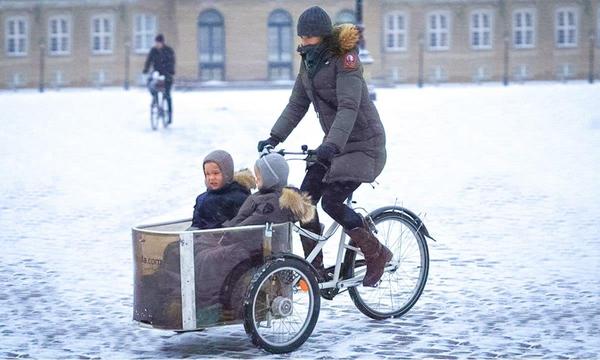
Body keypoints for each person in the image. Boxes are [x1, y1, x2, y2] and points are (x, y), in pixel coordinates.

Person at [257, 6, 391, 287]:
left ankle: (377, 253)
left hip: (365, 146)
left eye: (309, 37)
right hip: (337, 145)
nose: (304, 42)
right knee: (302, 201)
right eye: (301, 37)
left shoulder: (346, 60)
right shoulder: (309, 63)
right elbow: (297, 104)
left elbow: (348, 107)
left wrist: (330, 145)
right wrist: (274, 137)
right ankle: (314, 270)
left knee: (331, 201)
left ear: (324, 36)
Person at [193, 153, 315, 323]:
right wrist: (223, 232)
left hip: (255, 248)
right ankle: (204, 302)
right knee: (200, 250)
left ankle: (213, 306)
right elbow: (240, 221)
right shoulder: (262, 196)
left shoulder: (271, 202)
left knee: (208, 258)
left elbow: (250, 226)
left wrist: (226, 235)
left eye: (260, 176)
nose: (256, 179)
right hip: (246, 242)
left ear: (271, 178)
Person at [188, 150, 256, 230]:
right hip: (202, 240)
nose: (211, 178)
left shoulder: (240, 197)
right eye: (207, 174)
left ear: (227, 173)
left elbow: (242, 227)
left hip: (228, 240)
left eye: (216, 173)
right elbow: (196, 225)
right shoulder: (201, 199)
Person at [142, 34, 175, 123]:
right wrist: (146, 69)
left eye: (158, 43)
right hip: (156, 73)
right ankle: (155, 99)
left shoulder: (168, 51)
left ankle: (169, 115)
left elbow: (171, 62)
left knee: (167, 94)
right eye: (156, 43)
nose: (157, 45)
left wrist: (169, 72)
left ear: (162, 43)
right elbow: (148, 61)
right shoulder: (153, 51)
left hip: (167, 73)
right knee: (151, 84)